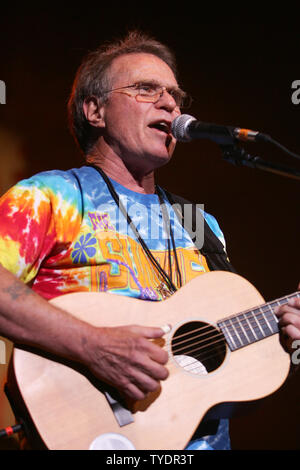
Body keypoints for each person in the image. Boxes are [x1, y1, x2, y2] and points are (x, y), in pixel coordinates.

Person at [0, 30, 298, 451]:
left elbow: (225, 364)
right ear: (95, 110)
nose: (170, 104)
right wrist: (93, 346)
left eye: (176, 95)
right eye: (146, 89)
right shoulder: (51, 197)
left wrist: (286, 336)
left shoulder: (200, 223)